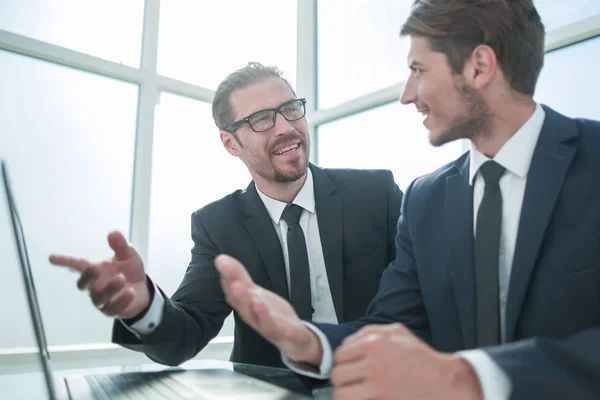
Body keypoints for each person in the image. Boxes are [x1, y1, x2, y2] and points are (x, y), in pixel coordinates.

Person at [215, 1, 600, 399]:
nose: (406, 95)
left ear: (479, 67)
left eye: (418, 70)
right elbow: (393, 325)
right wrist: (307, 340)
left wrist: (471, 377)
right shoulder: (425, 200)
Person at [49, 62, 403, 369]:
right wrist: (143, 307)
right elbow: (186, 333)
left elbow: (418, 301)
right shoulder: (218, 226)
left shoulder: (376, 194)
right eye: (262, 119)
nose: (285, 128)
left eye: (291, 109)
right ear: (230, 143)